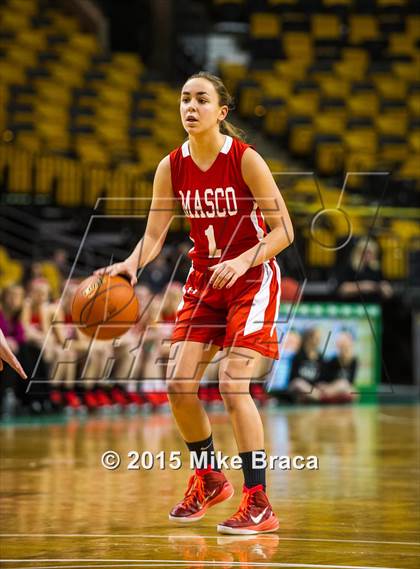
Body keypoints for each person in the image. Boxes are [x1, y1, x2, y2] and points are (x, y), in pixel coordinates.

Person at [96, 71, 294, 534]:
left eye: (201, 99)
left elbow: (284, 231)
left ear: (221, 112)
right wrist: (130, 265)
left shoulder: (246, 160)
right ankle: (208, 478)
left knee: (231, 383)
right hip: (205, 279)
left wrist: (244, 260)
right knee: (178, 385)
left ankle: (258, 500)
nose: (190, 106)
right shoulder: (171, 166)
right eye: (184, 98)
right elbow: (153, 235)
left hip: (252, 277)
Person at [288, 328, 325, 403]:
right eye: (316, 337)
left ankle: (312, 397)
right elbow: (293, 377)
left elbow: (321, 377)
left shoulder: (320, 357)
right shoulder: (299, 354)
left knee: (321, 386)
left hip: (312, 388)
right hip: (298, 387)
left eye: (319, 338)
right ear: (309, 338)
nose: (319, 340)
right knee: (299, 383)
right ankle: (321, 398)